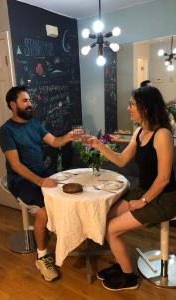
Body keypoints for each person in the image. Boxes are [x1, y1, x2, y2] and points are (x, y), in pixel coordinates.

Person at [88, 86, 176, 291]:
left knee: (110, 230)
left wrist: (142, 201)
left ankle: (129, 277)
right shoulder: (139, 132)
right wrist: (98, 145)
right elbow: (121, 160)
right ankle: (122, 265)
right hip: (144, 190)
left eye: (132, 104)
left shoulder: (162, 134)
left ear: (146, 107)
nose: (128, 108)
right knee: (106, 216)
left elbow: (163, 179)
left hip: (164, 198)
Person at [0, 86, 73, 282]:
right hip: (21, 180)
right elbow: (15, 164)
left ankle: (63, 238)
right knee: (43, 212)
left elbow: (55, 142)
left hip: (41, 173)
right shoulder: (5, 131)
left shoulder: (35, 123)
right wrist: (40, 182)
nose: (30, 103)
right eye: (25, 101)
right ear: (13, 105)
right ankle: (42, 257)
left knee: (66, 197)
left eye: (30, 100)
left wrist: (71, 136)